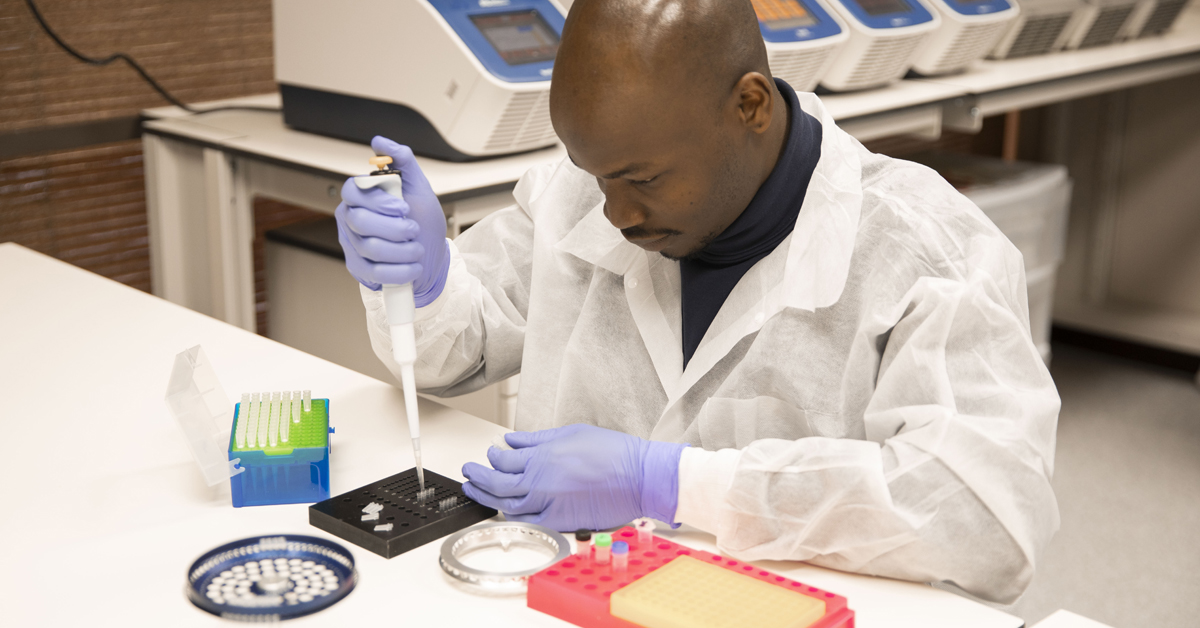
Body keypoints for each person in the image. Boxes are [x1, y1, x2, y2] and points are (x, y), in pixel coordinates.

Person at [334, 0, 1059, 604]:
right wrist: (420, 283)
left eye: (642, 180)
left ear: (749, 104)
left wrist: (673, 483)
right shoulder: (578, 195)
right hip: (584, 600)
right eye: (597, 178)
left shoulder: (927, 255)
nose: (614, 213)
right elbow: (449, 357)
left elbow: (987, 516)